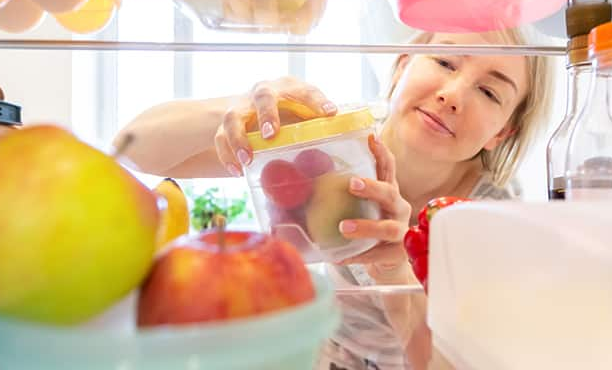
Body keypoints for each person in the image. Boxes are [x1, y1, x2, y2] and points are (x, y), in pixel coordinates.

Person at [115, 28, 554, 369]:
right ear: (403, 64)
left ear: (502, 132)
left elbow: (445, 362)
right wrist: (243, 110)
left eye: (490, 92)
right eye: (444, 61)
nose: (452, 95)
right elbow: (134, 147)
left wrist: (393, 269)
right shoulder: (333, 142)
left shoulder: (493, 216)